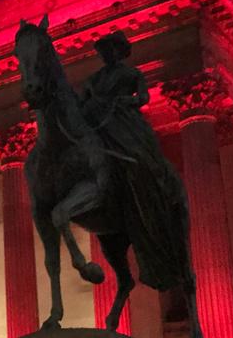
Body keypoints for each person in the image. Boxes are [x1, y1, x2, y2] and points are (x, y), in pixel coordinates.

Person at [81, 31, 189, 291]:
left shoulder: (131, 75)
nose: (106, 54)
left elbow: (143, 98)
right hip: (100, 126)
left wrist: (124, 102)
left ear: (119, 51)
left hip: (124, 122)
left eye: (110, 49)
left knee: (139, 159)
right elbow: (81, 103)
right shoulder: (95, 79)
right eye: (102, 50)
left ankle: (149, 197)